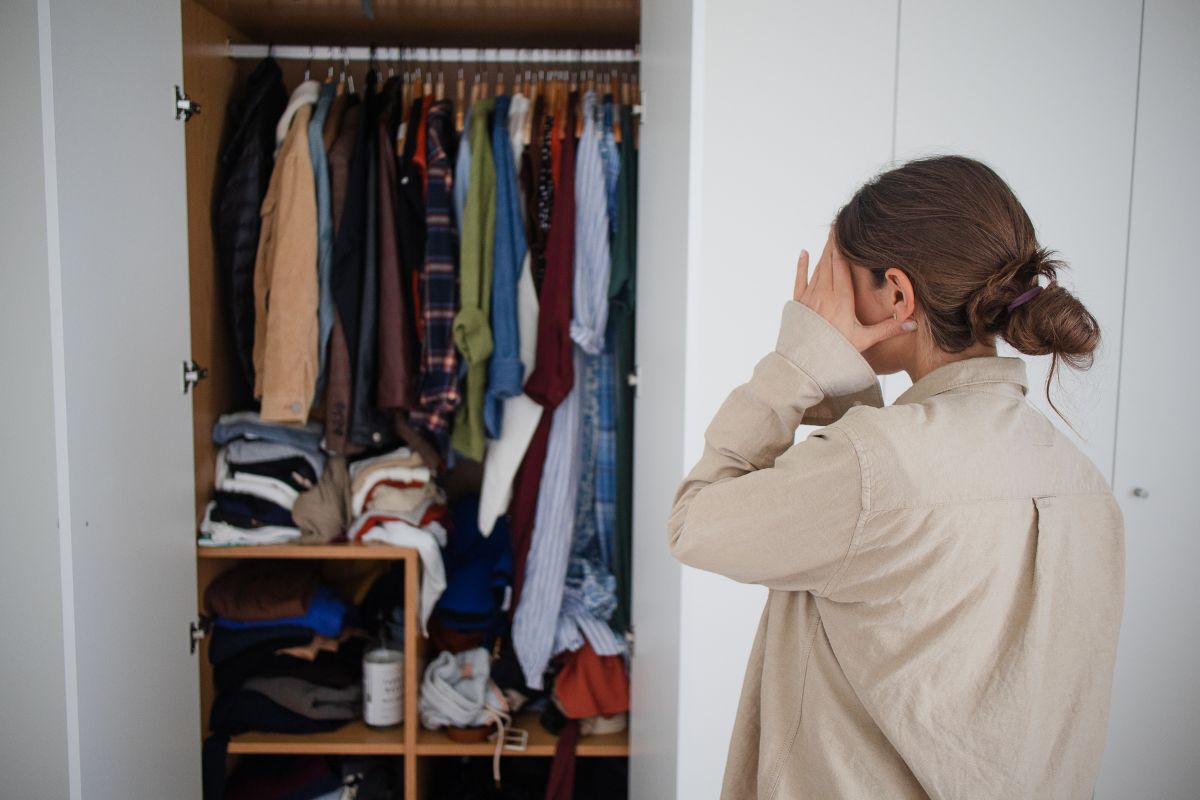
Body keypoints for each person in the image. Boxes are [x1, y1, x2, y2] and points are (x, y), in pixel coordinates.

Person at [667, 155, 1125, 799]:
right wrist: (849, 390)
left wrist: (795, 365)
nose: (823, 302)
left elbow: (695, 524)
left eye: (837, 281)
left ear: (899, 296)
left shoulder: (871, 467)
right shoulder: (1082, 482)